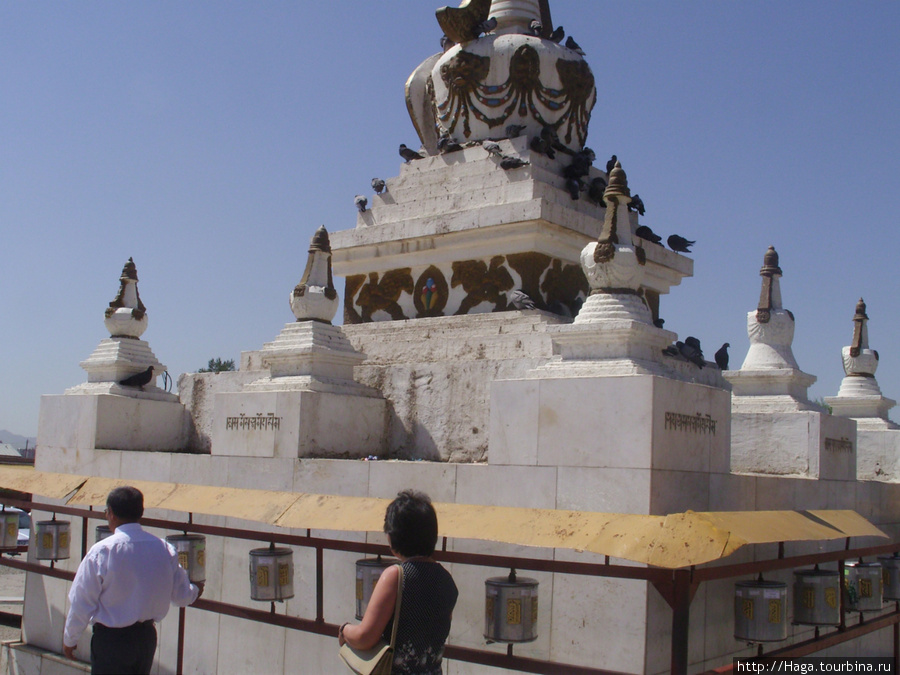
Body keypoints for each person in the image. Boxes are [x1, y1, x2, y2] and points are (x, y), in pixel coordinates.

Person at [63, 486, 204, 674]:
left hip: (111, 641)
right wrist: (197, 589)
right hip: (145, 639)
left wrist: (70, 640)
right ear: (141, 512)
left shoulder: (102, 551)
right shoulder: (164, 549)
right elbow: (182, 596)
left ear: (111, 514)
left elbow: (82, 601)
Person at [339, 490, 458, 675]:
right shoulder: (446, 580)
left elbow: (365, 636)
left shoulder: (395, 576)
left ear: (393, 536)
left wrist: (344, 630)